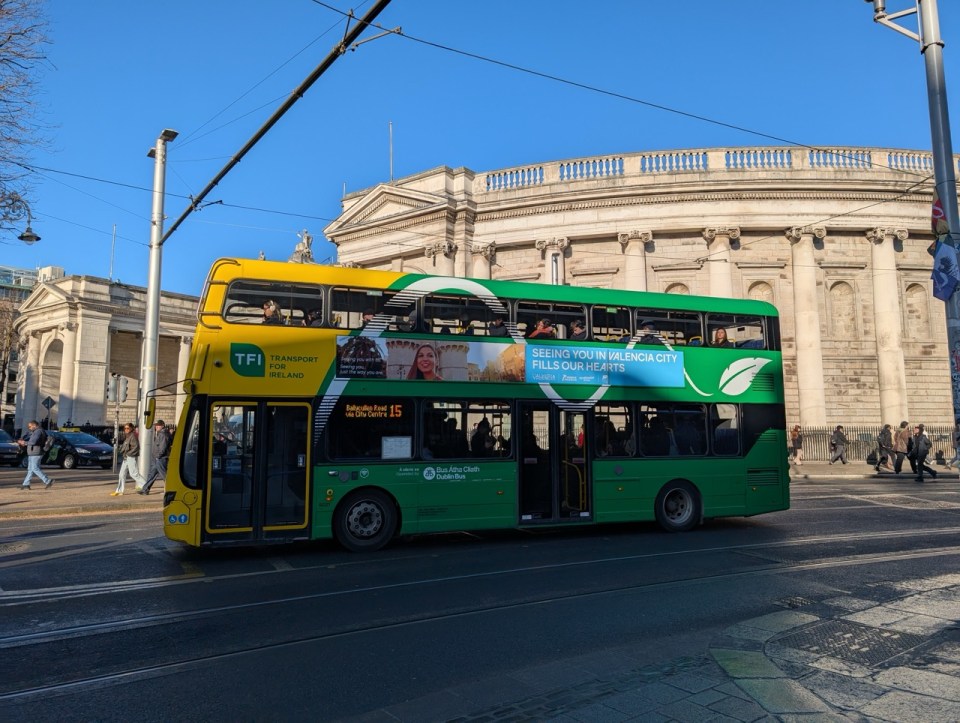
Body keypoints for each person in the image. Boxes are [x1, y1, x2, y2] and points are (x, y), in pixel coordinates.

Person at [16, 420, 53, 490]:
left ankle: (48, 481)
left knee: (34, 468)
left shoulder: (38, 431)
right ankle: (26, 484)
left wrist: (24, 442)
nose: (29, 428)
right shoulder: (35, 431)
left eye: (30, 426)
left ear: (34, 425)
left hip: (36, 452)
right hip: (33, 452)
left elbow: (33, 442)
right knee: (30, 469)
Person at [140, 420, 172, 495]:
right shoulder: (160, 433)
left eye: (158, 425)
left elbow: (162, 447)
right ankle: (145, 489)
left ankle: (172, 489)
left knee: (165, 475)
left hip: (160, 459)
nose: (156, 427)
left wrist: (158, 456)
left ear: (162, 426)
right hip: (157, 459)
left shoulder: (163, 434)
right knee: (152, 475)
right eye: (156, 425)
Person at [114, 423, 146, 496]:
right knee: (121, 474)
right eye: (125, 428)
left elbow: (136, 447)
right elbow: (125, 446)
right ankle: (119, 491)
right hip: (126, 457)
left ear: (131, 428)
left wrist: (128, 454)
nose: (126, 430)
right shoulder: (128, 436)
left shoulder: (133, 436)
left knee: (134, 474)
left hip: (130, 457)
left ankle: (145, 486)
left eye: (128, 428)